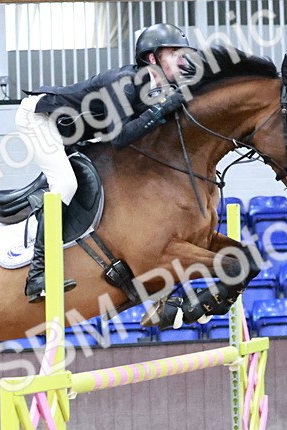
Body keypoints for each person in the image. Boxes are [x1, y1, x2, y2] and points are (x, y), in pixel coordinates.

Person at [13, 23, 197, 301]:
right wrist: (164, 107)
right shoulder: (125, 83)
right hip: (39, 118)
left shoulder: (156, 89)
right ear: (152, 58)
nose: (182, 60)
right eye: (174, 53)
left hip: (73, 131)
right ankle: (38, 274)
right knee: (64, 184)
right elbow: (122, 137)